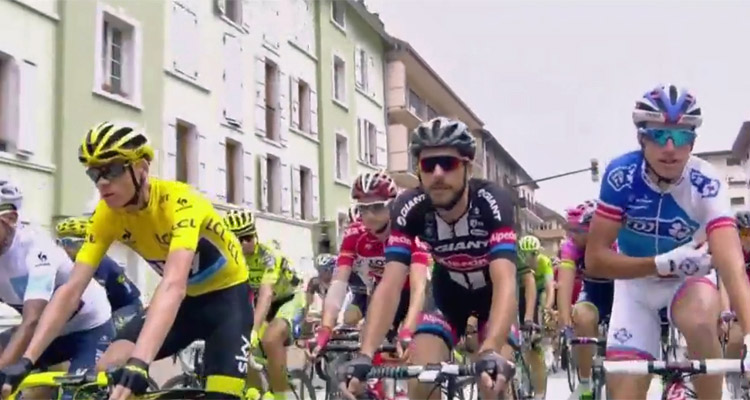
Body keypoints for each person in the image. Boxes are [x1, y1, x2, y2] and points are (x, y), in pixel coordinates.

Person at [0, 122, 252, 399]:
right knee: (107, 372)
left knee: (222, 396)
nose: (102, 182)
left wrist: (140, 363)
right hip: (186, 303)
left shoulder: (182, 203)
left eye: (112, 169)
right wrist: (27, 360)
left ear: (141, 168)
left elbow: (173, 284)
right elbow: (71, 290)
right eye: (94, 173)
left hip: (228, 302)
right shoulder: (106, 216)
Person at [585, 84, 750, 399]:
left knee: (701, 319)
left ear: (693, 141)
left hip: (688, 281)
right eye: (659, 135)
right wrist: (658, 264)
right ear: (641, 138)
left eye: (683, 135)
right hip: (635, 286)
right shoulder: (621, 175)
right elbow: (595, 260)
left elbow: (732, 264)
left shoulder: (706, 182)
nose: (671, 147)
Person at [338, 117, 517, 400]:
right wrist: (365, 354)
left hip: (492, 296)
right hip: (448, 297)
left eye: (448, 163)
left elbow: (506, 279)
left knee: (492, 383)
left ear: (467, 167)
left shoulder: (492, 201)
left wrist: (491, 348)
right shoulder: (409, 207)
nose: (437, 173)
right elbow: (391, 284)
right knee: (421, 380)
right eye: (427, 164)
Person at [0, 181, 113, 394]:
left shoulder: (35, 248)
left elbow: (32, 320)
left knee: (77, 395)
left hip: (89, 328)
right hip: (48, 334)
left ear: (10, 219)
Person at [311, 170, 430, 358]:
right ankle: (377, 387)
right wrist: (326, 327)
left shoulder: (409, 230)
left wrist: (407, 330)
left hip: (415, 295)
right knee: (368, 349)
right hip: (381, 294)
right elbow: (338, 284)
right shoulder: (354, 235)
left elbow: (418, 289)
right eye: (362, 208)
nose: (368, 215)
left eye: (376, 207)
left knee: (413, 354)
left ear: (392, 205)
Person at [224, 209, 305, 400]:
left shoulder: (268, 255)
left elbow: (266, 294)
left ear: (255, 234)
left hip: (289, 299)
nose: (245, 243)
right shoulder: (233, 259)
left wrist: (253, 329)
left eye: (248, 236)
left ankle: (282, 395)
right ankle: (257, 391)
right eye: (239, 238)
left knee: (270, 339)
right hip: (261, 303)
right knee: (243, 346)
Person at [557, 200, 614, 400]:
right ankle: (585, 382)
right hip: (593, 294)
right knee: (581, 315)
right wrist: (565, 318)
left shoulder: (615, 242)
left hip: (621, 294)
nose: (570, 234)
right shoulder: (571, 246)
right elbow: (564, 281)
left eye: (575, 230)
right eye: (569, 229)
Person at [55, 216, 143, 332]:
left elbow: (128, 300)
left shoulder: (102, 264)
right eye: (59, 243)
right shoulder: (63, 263)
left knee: (108, 331)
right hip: (100, 309)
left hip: (124, 307)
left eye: (69, 243)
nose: (64, 248)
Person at [517, 235, 554, 399]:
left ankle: (544, 340)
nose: (527, 258)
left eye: (531, 254)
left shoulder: (544, 262)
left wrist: (547, 309)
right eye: (523, 254)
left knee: (544, 301)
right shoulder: (518, 263)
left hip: (540, 291)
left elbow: (550, 288)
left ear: (537, 253)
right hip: (522, 292)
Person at [718, 210, 750, 397]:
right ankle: (733, 377)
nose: (748, 239)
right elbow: (724, 283)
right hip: (738, 307)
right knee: (735, 338)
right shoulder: (731, 253)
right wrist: (725, 311)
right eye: (744, 233)